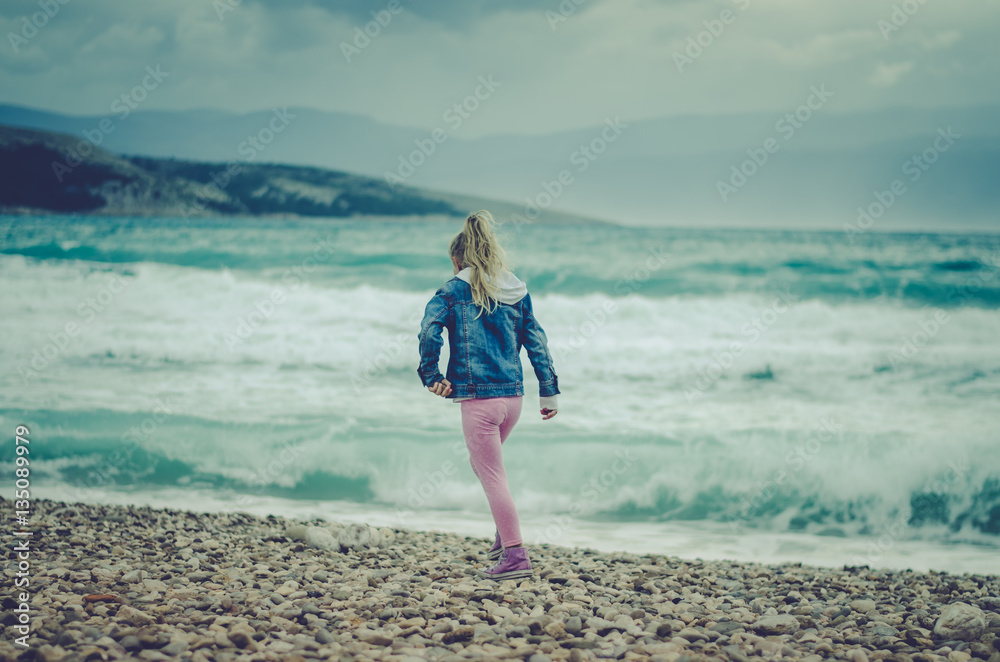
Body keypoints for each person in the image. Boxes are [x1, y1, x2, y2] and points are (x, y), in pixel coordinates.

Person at [417, 210, 560, 580]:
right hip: (513, 399)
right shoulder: (515, 289)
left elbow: (429, 331)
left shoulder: (451, 291)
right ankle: (503, 533)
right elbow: (536, 342)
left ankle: (515, 557)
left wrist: (430, 375)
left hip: (480, 400)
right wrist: (549, 392)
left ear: (456, 259)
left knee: (492, 475)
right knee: (484, 467)